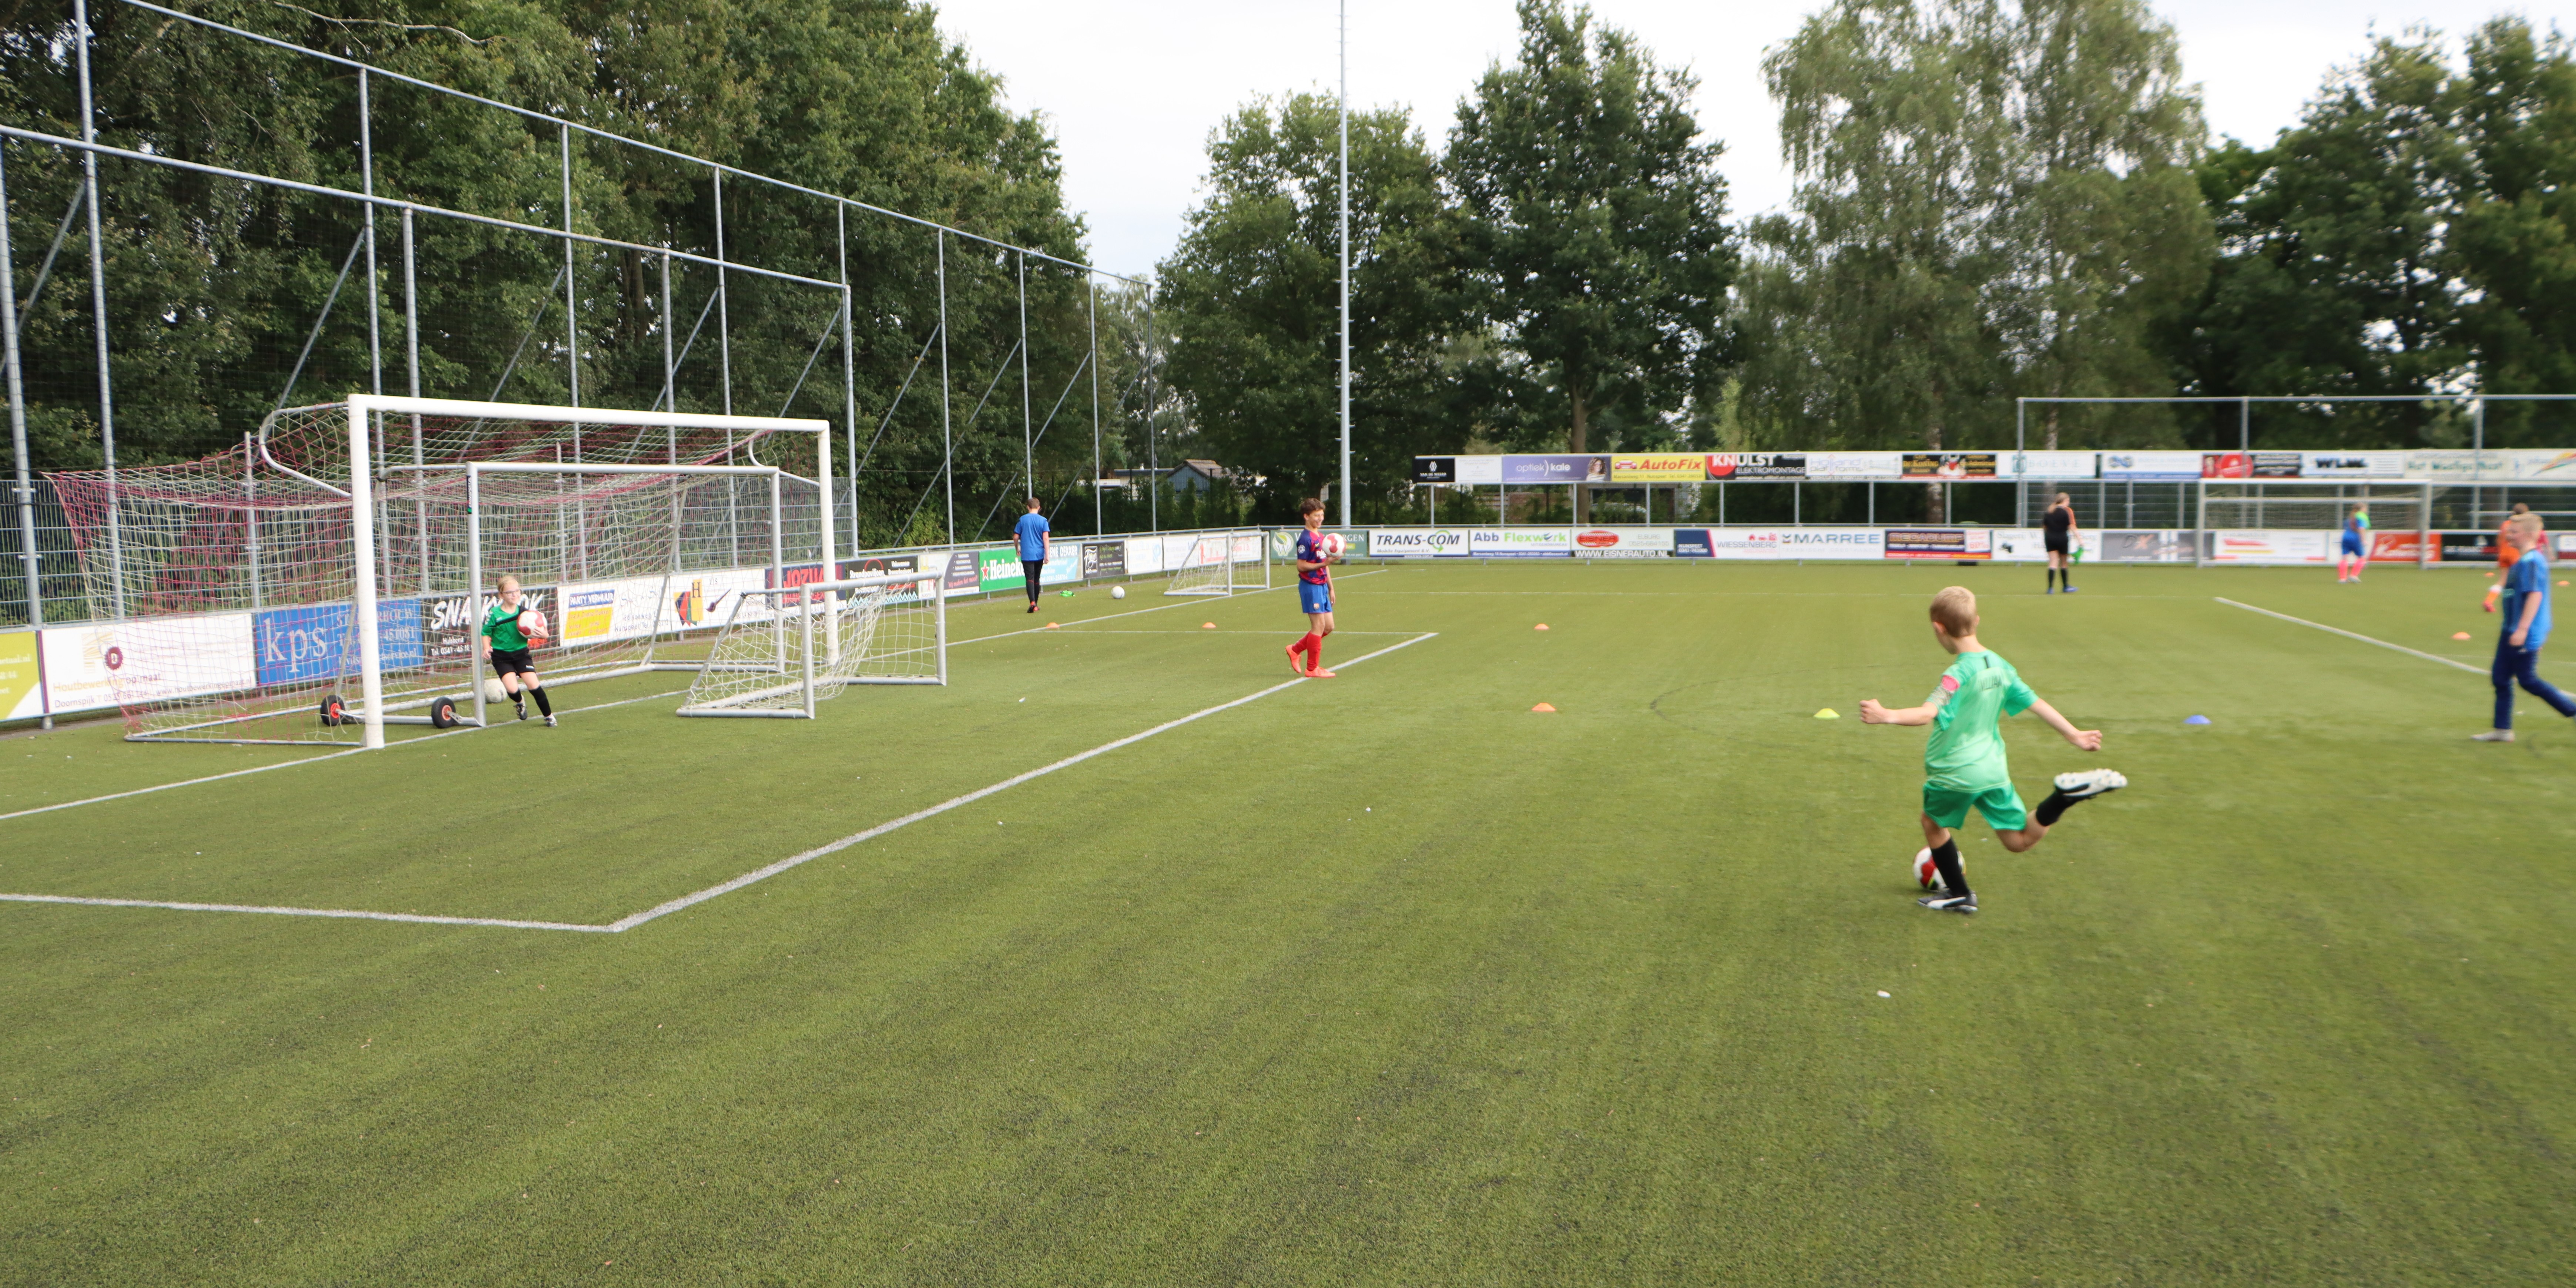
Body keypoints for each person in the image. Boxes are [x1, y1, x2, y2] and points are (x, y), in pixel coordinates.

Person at [1860, 586, 2127, 913]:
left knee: (1932, 823)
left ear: (1938, 628)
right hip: (1993, 769)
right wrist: (2074, 735)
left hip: (1955, 771)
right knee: (2019, 841)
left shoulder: (1956, 675)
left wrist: (1885, 715)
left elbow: (1927, 713)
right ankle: (2063, 797)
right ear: (1977, 621)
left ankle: (1959, 893)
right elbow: (2035, 702)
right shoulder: (2000, 665)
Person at [2474, 513, 2574, 742]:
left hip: (2523, 632)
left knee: (2528, 680)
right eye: (2509, 531)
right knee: (2500, 677)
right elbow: (2516, 594)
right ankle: (2503, 731)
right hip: (2510, 628)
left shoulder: (2531, 562)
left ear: (2529, 535)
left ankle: (2572, 711)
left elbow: (2535, 596)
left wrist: (2523, 629)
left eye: (2514, 532)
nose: (2509, 535)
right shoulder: (2522, 561)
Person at [480, 575, 554, 726]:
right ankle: (520, 702)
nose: (515, 595)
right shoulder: (495, 614)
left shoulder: (525, 614)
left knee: (534, 686)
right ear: (501, 595)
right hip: (502, 657)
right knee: (512, 690)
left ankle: (549, 717)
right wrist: (487, 648)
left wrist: (545, 634)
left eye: (517, 591)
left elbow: (543, 632)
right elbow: (486, 633)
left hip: (521, 655)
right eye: (510, 593)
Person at [1285, 497, 1337, 678]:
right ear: (1306, 516)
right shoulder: (1305, 540)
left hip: (1322, 586)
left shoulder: (1321, 537)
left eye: (1322, 515)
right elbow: (1301, 566)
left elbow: (1325, 564)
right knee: (1319, 626)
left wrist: (1331, 587)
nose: (1320, 518)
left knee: (1329, 627)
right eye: (1316, 515)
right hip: (1311, 586)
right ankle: (1312, 668)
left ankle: (1295, 650)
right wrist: (1323, 564)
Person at [2484, 503, 2532, 613]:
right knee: (2520, 581)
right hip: (2515, 554)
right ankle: (2517, 605)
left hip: (2503, 554)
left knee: (2503, 581)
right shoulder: (2522, 526)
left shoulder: (2505, 524)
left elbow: (2499, 540)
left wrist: (2502, 551)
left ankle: (2489, 601)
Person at [1014, 497, 1050, 613]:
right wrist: (1047, 554)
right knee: (1037, 578)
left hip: (1027, 554)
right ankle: (1036, 604)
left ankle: (1033, 603)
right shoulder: (1043, 521)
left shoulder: (1023, 520)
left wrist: (1017, 548)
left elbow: (1016, 537)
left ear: (1028, 507)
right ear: (1039, 508)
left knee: (1029, 578)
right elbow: (1046, 538)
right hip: (1039, 553)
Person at [2042, 492, 2079, 594]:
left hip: (2050, 539)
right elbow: (2070, 526)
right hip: (2062, 539)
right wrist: (2080, 540)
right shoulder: (2065, 513)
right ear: (2065, 501)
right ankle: (2065, 587)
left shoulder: (2049, 512)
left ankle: (2050, 588)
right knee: (2064, 563)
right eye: (2068, 501)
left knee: (2053, 563)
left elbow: (2045, 527)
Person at [2337, 504, 2371, 583]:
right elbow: (2361, 529)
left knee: (2344, 558)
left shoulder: (2350, 518)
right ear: (2362, 509)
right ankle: (2354, 576)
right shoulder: (2361, 518)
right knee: (2362, 558)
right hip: (2355, 538)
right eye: (2365, 508)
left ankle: (2342, 579)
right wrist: (2363, 540)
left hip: (2345, 537)